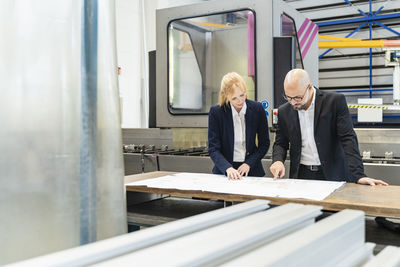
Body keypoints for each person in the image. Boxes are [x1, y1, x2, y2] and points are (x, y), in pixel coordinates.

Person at [270, 69, 388, 186]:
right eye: (288, 98)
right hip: (302, 175)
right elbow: (281, 142)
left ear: (310, 88)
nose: (293, 103)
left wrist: (358, 175)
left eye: (297, 98)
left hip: (332, 174)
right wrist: (278, 161)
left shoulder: (334, 102)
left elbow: (348, 139)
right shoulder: (284, 111)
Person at [208, 72, 270, 180]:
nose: (240, 101)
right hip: (225, 171)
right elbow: (213, 148)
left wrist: (249, 163)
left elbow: (264, 144)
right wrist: (227, 168)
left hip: (252, 170)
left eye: (242, 95)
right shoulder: (216, 112)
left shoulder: (257, 109)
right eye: (234, 98)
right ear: (226, 96)